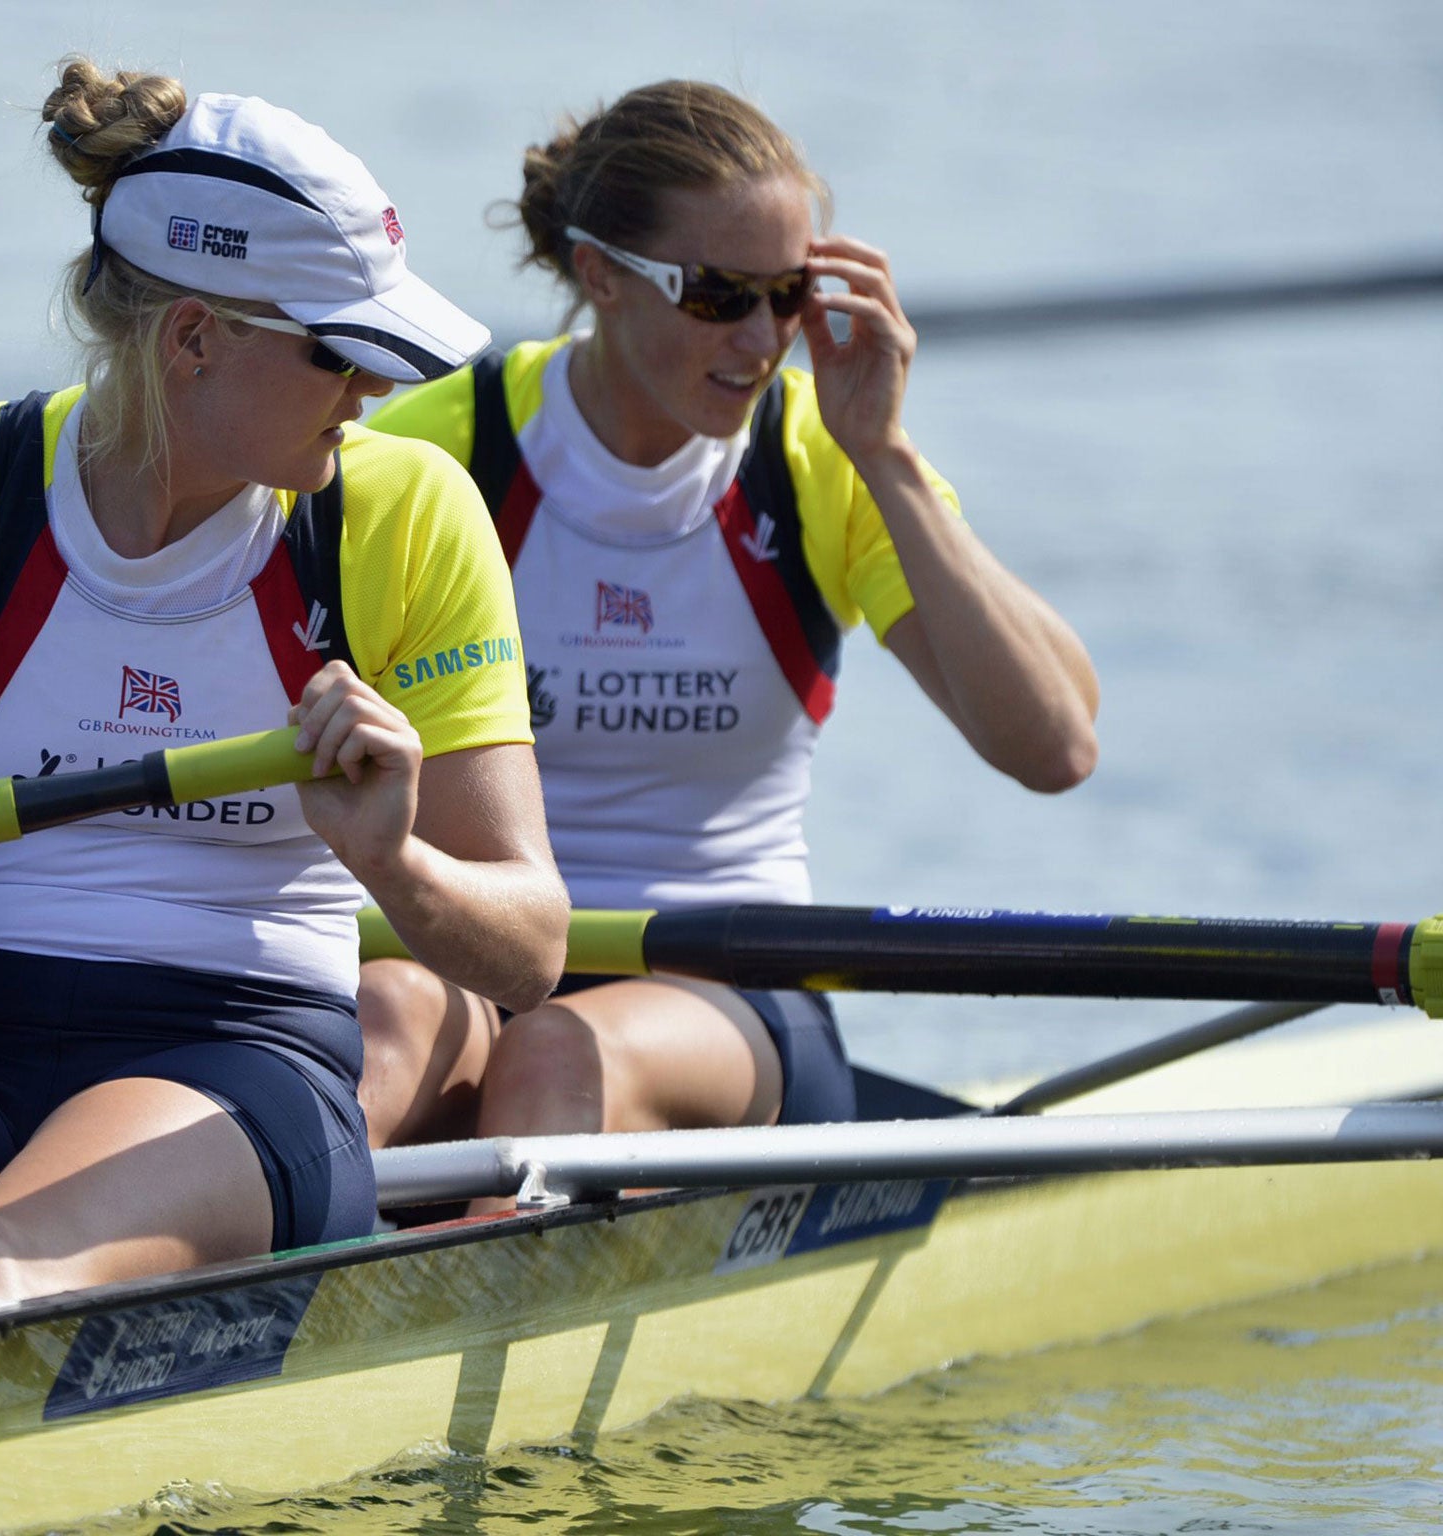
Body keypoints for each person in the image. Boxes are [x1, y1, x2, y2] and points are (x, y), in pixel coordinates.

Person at [0, 60, 567, 1298]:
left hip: (239, 1044)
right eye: (339, 352)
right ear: (195, 337)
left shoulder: (403, 518)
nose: (374, 391)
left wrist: (391, 859)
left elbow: (528, 949)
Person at [356, 80, 1098, 1182]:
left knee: (556, 1055)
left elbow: (1054, 748)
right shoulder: (437, 454)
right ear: (597, 272)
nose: (762, 339)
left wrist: (883, 456)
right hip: (461, 950)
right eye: (718, 295)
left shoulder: (815, 462)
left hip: (726, 988)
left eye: (788, 294)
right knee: (373, 1028)